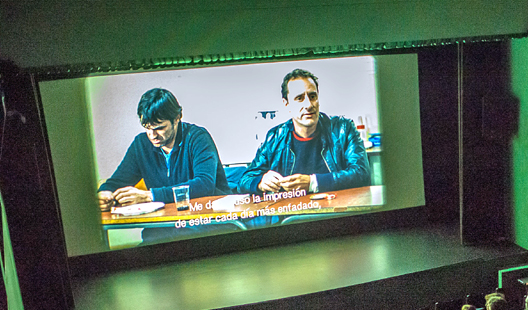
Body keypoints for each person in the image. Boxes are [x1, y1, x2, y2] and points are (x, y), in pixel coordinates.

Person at [239, 69, 371, 195]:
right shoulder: (275, 137)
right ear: (287, 104)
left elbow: (361, 173)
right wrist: (260, 183)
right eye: (299, 98)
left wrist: (313, 183)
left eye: (312, 96)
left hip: (339, 211)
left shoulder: (343, 129)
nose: (309, 105)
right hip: (292, 216)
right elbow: (245, 180)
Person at [97, 88, 230, 210]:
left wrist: (150, 196)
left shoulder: (198, 138)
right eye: (147, 127)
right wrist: (105, 193)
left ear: (177, 118)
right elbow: (118, 181)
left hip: (207, 218)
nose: (152, 135)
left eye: (160, 128)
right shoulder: (141, 144)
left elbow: (204, 185)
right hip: (166, 223)